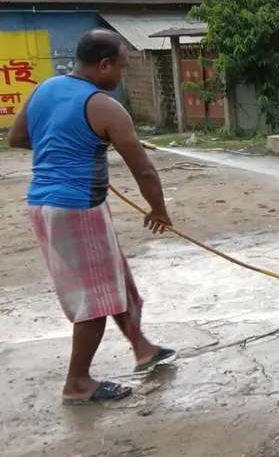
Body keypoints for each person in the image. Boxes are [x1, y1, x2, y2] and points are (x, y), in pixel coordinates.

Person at [7, 29, 176, 404]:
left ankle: (142, 347)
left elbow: (16, 138)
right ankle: (78, 383)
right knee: (94, 299)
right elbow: (144, 171)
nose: (121, 74)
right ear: (102, 65)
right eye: (121, 66)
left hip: (46, 205)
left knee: (115, 281)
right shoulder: (104, 106)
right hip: (76, 209)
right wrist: (159, 210)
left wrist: (67, 141)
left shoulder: (45, 89)